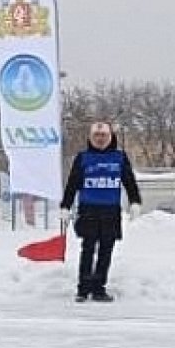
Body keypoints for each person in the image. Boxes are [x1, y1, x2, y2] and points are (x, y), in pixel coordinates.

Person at [59, 121, 142, 302]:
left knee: (106, 250)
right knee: (87, 249)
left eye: (103, 135)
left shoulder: (119, 157)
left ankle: (98, 288)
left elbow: (129, 182)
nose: (100, 139)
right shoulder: (82, 158)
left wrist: (135, 202)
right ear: (91, 138)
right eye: (96, 136)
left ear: (110, 137)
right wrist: (65, 206)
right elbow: (72, 184)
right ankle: (83, 289)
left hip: (111, 211)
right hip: (88, 209)